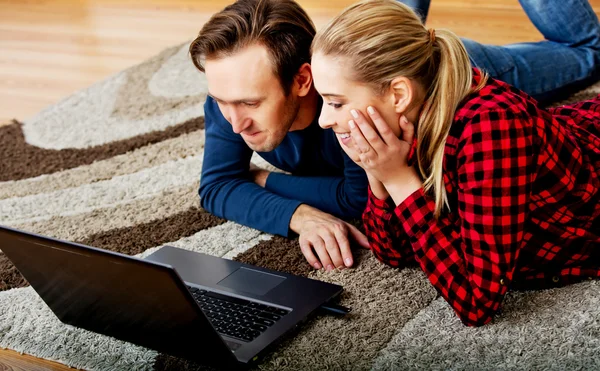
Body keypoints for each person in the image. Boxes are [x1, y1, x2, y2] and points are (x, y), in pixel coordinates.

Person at [189, 0, 600, 273]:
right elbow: (216, 187)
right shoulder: (231, 96)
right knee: (391, 15)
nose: (233, 121)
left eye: (249, 103)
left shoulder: (358, 111)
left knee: (588, 52)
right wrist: (298, 214)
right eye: (220, 100)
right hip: (367, 65)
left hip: (444, 72)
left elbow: (357, 198)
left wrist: (263, 180)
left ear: (302, 81)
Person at [310, 0, 600, 326]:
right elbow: (392, 253)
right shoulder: (407, 122)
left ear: (399, 95)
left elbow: (477, 303)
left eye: (335, 102)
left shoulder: (492, 127)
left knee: (590, 51)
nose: (323, 119)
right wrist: (379, 175)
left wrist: (399, 181)